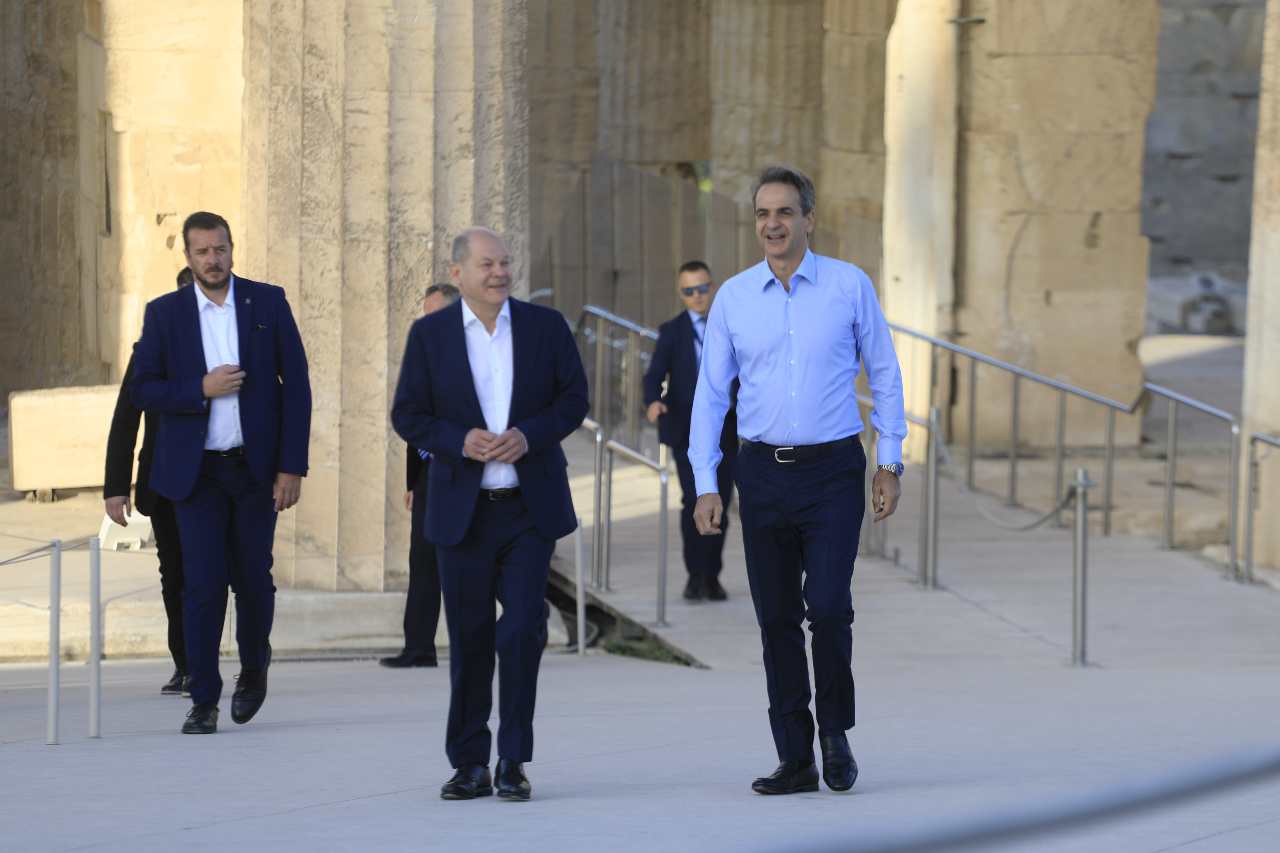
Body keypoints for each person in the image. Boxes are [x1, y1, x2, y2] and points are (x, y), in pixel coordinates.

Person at [689, 165, 907, 795]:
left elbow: (884, 372)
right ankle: (795, 756)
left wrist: (890, 461)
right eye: (763, 213)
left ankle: (834, 735)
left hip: (834, 470)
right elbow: (711, 395)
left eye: (784, 212)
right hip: (760, 473)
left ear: (809, 219)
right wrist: (706, 482)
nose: (773, 224)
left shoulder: (848, 285)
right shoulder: (733, 298)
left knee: (830, 609)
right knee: (776, 617)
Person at [391, 227, 588, 802]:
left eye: (504, 262)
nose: (500, 272)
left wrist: (528, 435)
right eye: (486, 264)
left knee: (522, 628)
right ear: (458, 273)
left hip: (529, 508)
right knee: (470, 636)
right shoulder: (430, 335)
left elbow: (573, 400)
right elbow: (408, 414)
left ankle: (513, 759)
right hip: (463, 511)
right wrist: (458, 440)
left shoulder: (545, 327)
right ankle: (470, 761)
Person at [132, 211, 312, 735]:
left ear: (232, 249)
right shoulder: (164, 314)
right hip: (197, 474)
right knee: (203, 583)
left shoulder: (268, 302)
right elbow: (143, 389)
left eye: (220, 249)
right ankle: (204, 697)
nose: (213, 259)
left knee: (253, 582)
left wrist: (291, 467)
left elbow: (298, 387)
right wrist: (199, 388)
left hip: (256, 471)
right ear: (188, 257)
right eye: (202, 251)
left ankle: (253, 668)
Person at [104, 267, 201, 696]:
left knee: (207, 575)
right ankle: (186, 665)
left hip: (212, 480)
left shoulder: (227, 346)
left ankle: (207, 662)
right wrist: (116, 487)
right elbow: (126, 419)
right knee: (174, 575)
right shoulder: (149, 349)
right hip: (161, 482)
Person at [643, 261, 738, 602]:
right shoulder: (672, 330)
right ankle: (695, 574)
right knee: (693, 500)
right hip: (685, 429)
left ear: (712, 287)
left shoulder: (730, 325)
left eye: (701, 288)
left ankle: (712, 576)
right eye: (688, 290)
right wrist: (653, 401)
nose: (696, 295)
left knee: (721, 500)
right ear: (680, 293)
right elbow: (654, 373)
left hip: (725, 428)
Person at [381, 282, 461, 669]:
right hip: (430, 472)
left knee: (481, 558)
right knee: (423, 558)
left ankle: (530, 618)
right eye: (425, 316)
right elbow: (413, 420)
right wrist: (413, 481)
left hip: (466, 469)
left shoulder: (474, 355)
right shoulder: (425, 355)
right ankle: (419, 648)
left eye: (436, 316)